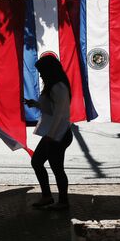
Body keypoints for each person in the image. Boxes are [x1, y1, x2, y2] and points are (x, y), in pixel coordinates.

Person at [24, 55, 73, 210]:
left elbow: (60, 114)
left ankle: (62, 201)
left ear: (49, 70)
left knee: (56, 168)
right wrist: (37, 104)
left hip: (58, 134)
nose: (40, 75)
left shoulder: (59, 87)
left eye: (41, 71)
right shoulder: (54, 86)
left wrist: (51, 136)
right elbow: (52, 110)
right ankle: (48, 197)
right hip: (54, 133)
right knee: (38, 162)